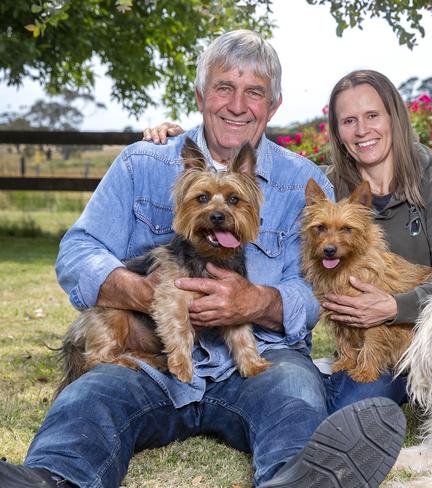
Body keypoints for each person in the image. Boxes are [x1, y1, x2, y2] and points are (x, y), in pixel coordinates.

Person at [0, 31, 406, 488]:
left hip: (259, 358)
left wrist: (257, 302)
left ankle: (297, 480)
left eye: (254, 92)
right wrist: (141, 292)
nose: (237, 104)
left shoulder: (301, 182)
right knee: (90, 396)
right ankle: (50, 478)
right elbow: (77, 252)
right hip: (148, 358)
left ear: (272, 106)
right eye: (223, 88)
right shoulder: (142, 163)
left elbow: (318, 292)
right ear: (200, 95)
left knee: (296, 398)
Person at [144, 70, 432, 412]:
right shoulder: (322, 183)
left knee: (355, 399)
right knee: (343, 407)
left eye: (372, 116)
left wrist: (395, 306)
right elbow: (256, 180)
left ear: (395, 116)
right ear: (337, 131)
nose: (362, 130)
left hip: (426, 335)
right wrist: (180, 138)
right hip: (360, 348)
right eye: (349, 121)